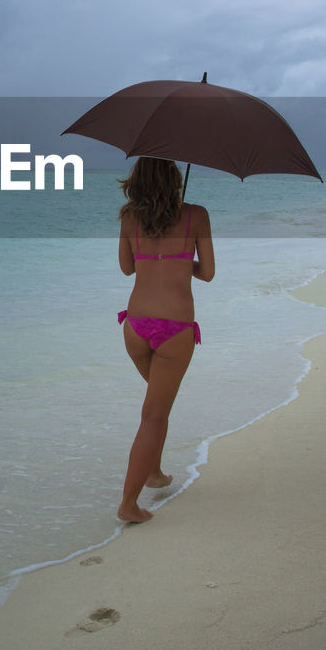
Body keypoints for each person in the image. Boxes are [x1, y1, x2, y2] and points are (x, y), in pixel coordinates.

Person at [116, 157, 215, 524]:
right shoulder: (197, 215)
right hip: (175, 329)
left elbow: (128, 267)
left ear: (137, 180)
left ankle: (154, 472)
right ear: (174, 178)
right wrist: (179, 262)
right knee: (154, 415)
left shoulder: (129, 216)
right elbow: (207, 272)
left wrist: (157, 259)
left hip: (136, 326)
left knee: (156, 408)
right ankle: (128, 503)